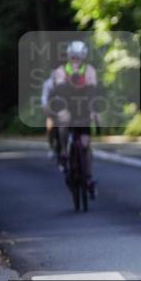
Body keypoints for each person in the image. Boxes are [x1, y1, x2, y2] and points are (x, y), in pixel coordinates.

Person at [43, 41, 100, 196]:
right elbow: (60, 92)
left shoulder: (89, 71)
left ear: (84, 57)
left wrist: (94, 111)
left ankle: (88, 177)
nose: (76, 60)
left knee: (86, 143)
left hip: (82, 109)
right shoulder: (61, 71)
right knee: (63, 121)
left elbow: (93, 93)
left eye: (79, 57)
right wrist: (62, 110)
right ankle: (63, 151)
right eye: (73, 57)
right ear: (69, 56)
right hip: (67, 105)